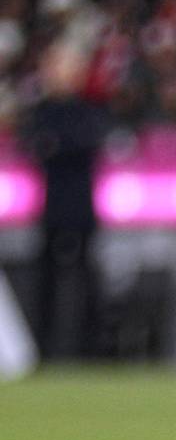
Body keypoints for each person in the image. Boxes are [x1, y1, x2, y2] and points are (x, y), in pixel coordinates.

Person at [21, 45, 109, 361]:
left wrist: (55, 146)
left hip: (81, 208)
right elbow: (34, 144)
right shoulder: (43, 110)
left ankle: (91, 349)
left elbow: (80, 144)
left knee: (86, 281)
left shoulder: (87, 109)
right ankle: (43, 349)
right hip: (53, 208)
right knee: (46, 282)